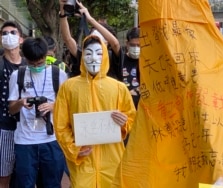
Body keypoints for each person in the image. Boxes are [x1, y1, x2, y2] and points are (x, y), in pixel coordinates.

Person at [53, 35, 136, 187]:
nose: (93, 58)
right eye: (88, 53)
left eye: (99, 53)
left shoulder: (119, 88)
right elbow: (60, 125)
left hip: (112, 160)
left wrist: (124, 123)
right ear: (82, 55)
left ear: (105, 56)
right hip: (83, 161)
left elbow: (132, 119)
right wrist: (74, 149)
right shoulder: (69, 87)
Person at [8, 37, 68, 187]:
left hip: (51, 139)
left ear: (46, 56)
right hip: (25, 141)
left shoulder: (58, 75)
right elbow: (11, 108)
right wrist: (21, 103)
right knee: (24, 184)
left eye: (40, 63)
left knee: (52, 183)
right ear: (26, 59)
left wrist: (53, 106)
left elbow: (69, 105)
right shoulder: (18, 75)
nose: (36, 67)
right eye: (31, 64)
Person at [58, 0, 123, 78]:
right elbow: (67, 39)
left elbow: (115, 44)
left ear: (107, 43)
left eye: (99, 39)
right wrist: (63, 12)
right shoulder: (84, 56)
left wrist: (90, 19)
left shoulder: (112, 57)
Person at [0, 20, 26, 188]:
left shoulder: (29, 65)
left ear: (21, 39)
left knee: (25, 174)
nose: (8, 36)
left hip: (27, 129)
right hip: (5, 128)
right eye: (4, 33)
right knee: (4, 175)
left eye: (13, 33)